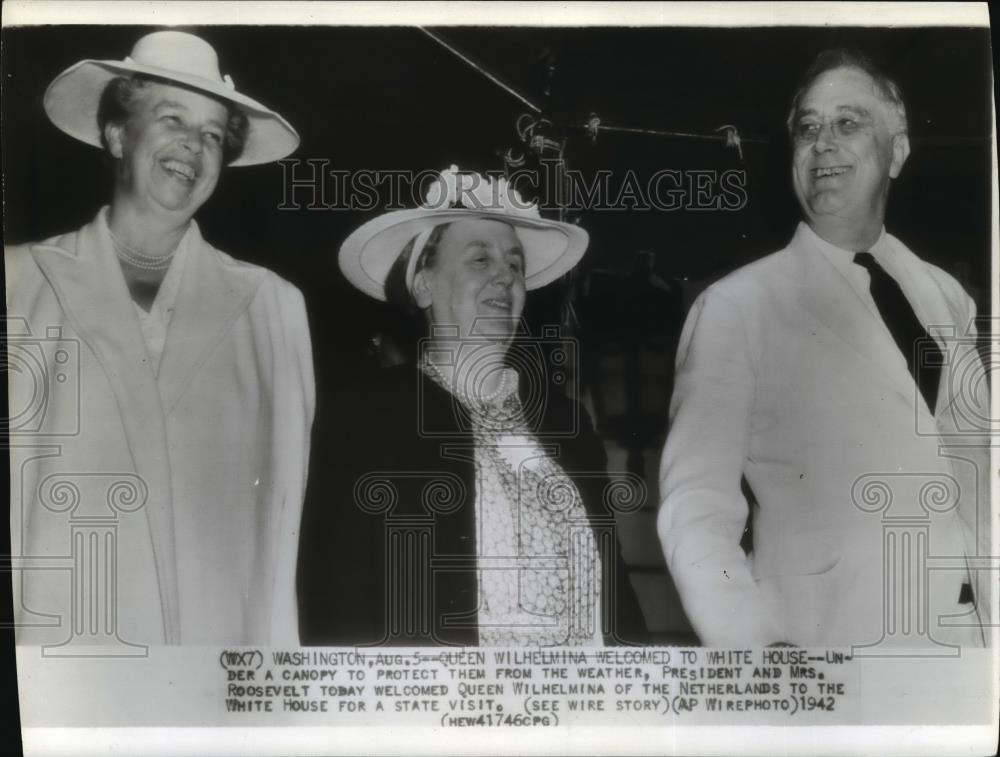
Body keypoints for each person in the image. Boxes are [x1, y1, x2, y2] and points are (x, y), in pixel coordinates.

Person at [657, 49, 991, 648]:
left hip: (968, 639)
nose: (823, 143)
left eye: (848, 122)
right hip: (826, 649)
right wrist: (755, 650)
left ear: (900, 150)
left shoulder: (944, 295)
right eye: (808, 128)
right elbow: (696, 508)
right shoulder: (737, 307)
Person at [7, 31, 314, 646]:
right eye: (171, 118)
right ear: (117, 134)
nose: (192, 147)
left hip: (210, 664)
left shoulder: (273, 308)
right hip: (58, 660)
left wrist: (274, 691)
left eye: (211, 134)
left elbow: (281, 524)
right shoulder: (16, 280)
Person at [299, 166, 649, 646]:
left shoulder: (564, 420)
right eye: (479, 260)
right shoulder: (363, 417)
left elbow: (614, 586)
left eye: (514, 264)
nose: (504, 277)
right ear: (423, 285)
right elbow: (335, 600)